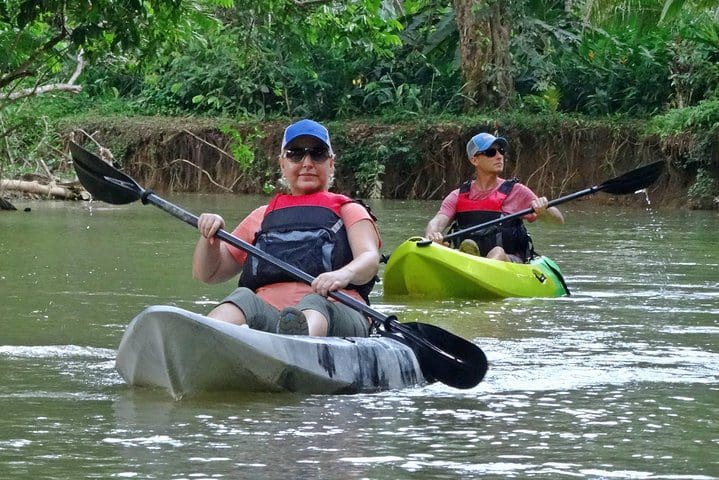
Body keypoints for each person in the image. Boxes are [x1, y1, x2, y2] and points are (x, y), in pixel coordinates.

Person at [192, 119, 381, 337]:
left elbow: (369, 259)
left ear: (331, 163)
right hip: (270, 315)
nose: (307, 162)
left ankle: (301, 341)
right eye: (296, 154)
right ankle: (204, 336)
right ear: (283, 163)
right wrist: (209, 237)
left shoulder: (349, 210)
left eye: (317, 153)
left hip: (335, 310)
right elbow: (208, 274)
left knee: (314, 303)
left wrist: (342, 275)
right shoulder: (262, 216)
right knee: (243, 298)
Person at [425, 132, 564, 263]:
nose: (499, 156)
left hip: (509, 262)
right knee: (445, 246)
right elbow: (437, 222)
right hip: (466, 261)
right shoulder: (457, 196)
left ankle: (477, 264)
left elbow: (558, 221)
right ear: (474, 160)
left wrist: (545, 210)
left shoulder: (516, 191)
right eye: (491, 152)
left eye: (501, 151)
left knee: (497, 251)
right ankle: (470, 257)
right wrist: (433, 236)